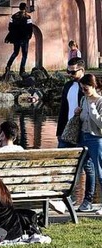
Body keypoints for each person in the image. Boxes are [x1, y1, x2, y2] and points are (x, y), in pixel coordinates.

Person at [57, 58, 95, 212]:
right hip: (68, 130)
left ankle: (88, 199)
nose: (70, 74)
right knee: (63, 164)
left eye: (73, 72)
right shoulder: (68, 86)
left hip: (84, 132)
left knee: (87, 166)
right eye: (68, 71)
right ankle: (67, 198)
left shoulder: (88, 88)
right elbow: (63, 109)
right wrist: (59, 131)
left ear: (82, 70)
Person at [76, 74, 102, 216]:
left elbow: (101, 124)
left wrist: (93, 112)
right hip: (83, 138)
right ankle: (87, 201)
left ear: (93, 86)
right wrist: (77, 113)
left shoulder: (100, 101)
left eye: (86, 89)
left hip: (96, 139)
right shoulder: (83, 99)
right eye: (82, 89)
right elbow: (82, 119)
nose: (84, 91)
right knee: (83, 168)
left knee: (100, 172)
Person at [4, 2, 33, 76]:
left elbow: (10, 27)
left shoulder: (13, 16)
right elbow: (30, 28)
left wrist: (14, 34)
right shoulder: (28, 17)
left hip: (16, 37)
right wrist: (29, 36)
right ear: (25, 8)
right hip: (24, 38)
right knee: (24, 54)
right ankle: (22, 70)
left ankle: (8, 66)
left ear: (19, 8)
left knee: (15, 52)